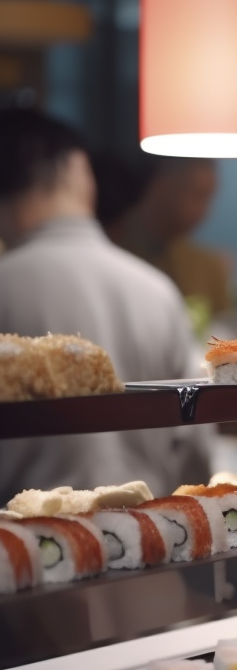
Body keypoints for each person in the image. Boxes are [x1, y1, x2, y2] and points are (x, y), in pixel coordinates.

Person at [0, 108, 207, 497]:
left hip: (27, 548)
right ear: (82, 177)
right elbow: (195, 442)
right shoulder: (156, 289)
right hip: (153, 536)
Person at [112, 156, 232, 319]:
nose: (205, 212)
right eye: (198, 196)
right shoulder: (109, 251)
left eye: (208, 199)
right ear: (162, 186)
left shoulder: (208, 268)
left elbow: (227, 337)